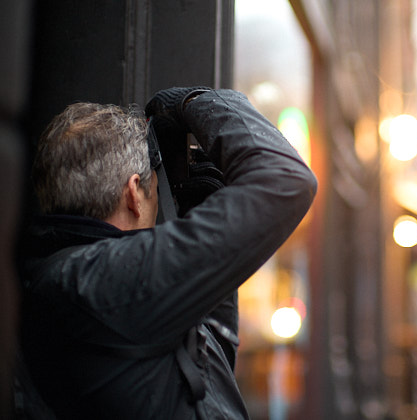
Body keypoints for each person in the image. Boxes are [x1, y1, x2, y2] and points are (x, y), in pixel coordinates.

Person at [17, 87, 317, 419]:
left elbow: (204, 381)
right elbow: (287, 179)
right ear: (134, 193)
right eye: (154, 190)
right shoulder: (98, 279)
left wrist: (198, 211)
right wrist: (199, 102)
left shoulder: (76, 279)